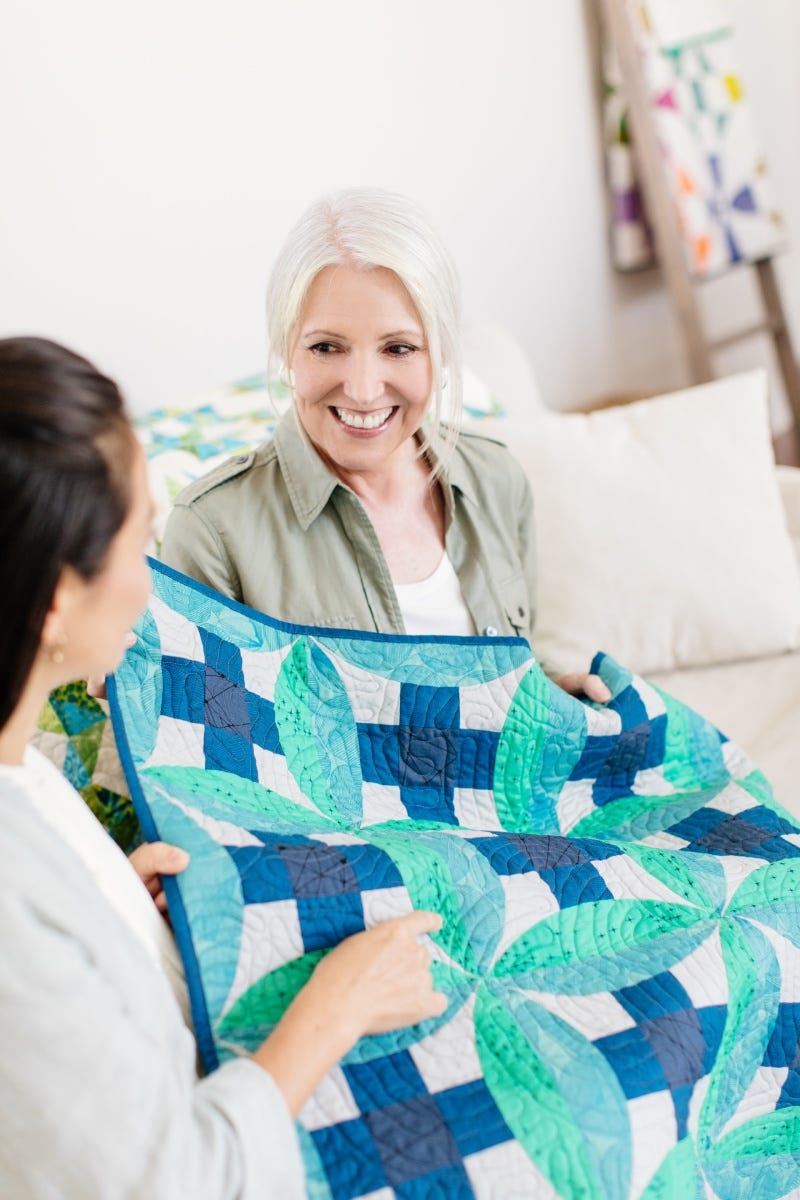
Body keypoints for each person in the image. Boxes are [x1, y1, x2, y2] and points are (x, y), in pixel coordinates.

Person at [0, 336, 446, 1199]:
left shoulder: (20, 775)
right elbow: (178, 1183)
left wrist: (112, 914)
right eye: (137, 544)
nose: (153, 581)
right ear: (58, 596)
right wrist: (336, 1008)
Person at [160, 188, 609, 701]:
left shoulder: (497, 479)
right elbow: (209, 738)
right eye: (327, 347)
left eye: (399, 348)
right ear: (287, 348)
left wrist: (551, 689)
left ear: (440, 355)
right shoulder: (212, 529)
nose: (363, 389)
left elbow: (515, 673)